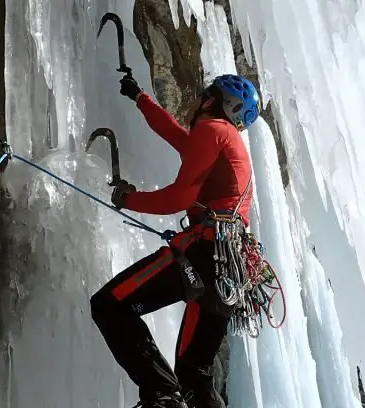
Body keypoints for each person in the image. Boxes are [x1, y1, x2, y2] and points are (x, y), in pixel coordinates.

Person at [90, 74, 261, 408]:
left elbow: (179, 198)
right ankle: (170, 395)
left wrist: (129, 199)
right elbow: (174, 134)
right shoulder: (223, 139)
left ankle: (162, 397)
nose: (197, 100)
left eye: (203, 95)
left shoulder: (213, 130)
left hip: (206, 253)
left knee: (111, 306)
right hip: (229, 274)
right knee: (194, 376)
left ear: (214, 101)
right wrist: (141, 98)